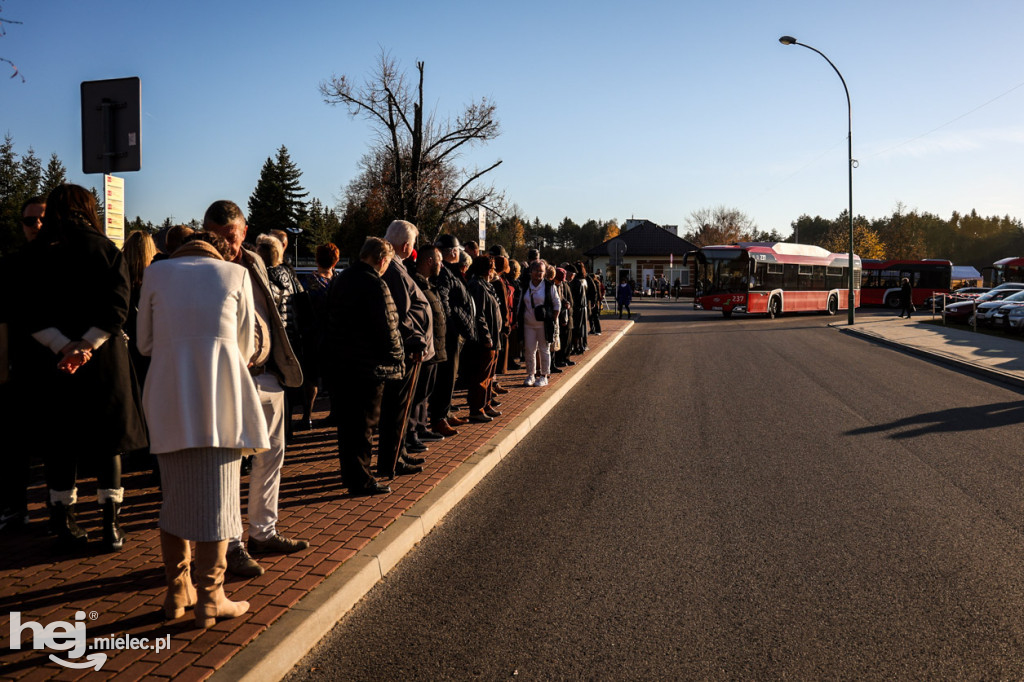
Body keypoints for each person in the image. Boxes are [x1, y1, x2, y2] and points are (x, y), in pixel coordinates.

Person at [136, 231, 262, 628]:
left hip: (169, 396)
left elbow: (144, 344)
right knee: (221, 502)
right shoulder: (235, 274)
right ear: (219, 250)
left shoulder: (156, 274)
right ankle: (211, 597)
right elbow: (244, 347)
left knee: (174, 498)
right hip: (221, 397)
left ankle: (177, 592)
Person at [23, 184, 148, 551]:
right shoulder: (104, 248)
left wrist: (64, 347)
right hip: (103, 360)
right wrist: (87, 345)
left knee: (60, 443)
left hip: (53, 361)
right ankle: (111, 525)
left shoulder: (37, 253)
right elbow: (119, 306)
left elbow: (27, 311)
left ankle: (64, 522)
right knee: (109, 442)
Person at [203, 200, 307, 578]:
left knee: (272, 455)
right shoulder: (204, 268)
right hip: (231, 378)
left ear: (243, 231)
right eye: (215, 236)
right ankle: (232, 544)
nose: (223, 244)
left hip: (268, 374)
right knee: (232, 462)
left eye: (229, 236)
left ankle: (264, 531)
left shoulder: (254, 261)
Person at [326, 237, 404, 496]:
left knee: (348, 426)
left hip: (342, 362)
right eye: (387, 263)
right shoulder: (375, 284)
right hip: (368, 365)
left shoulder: (342, 278)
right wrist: (397, 356)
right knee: (365, 425)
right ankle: (361, 480)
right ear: (382, 260)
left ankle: (350, 474)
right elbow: (387, 325)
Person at [0, 196, 47, 530]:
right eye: (30, 221)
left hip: (62, 364)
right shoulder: (11, 265)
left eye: (43, 219)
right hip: (22, 363)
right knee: (14, 442)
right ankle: (16, 507)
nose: (37, 226)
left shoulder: (67, 262)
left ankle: (61, 512)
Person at [378, 220, 432, 480]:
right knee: (397, 410)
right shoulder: (395, 271)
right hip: (407, 351)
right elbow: (400, 313)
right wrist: (416, 340)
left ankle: (398, 454)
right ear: (406, 245)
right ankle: (392, 460)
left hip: (408, 350)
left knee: (402, 409)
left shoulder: (396, 267)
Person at [256, 233, 309, 438]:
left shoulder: (268, 278)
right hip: (292, 338)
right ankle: (285, 432)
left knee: (274, 389)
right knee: (285, 389)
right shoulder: (288, 274)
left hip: (277, 340)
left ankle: (279, 435)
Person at [429, 234, 476, 437]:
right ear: (453, 253)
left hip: (455, 331)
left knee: (450, 376)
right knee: (446, 377)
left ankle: (445, 413)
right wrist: (453, 326)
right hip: (450, 334)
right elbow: (445, 302)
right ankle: (439, 417)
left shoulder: (451, 272)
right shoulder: (445, 274)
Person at [408, 245, 448, 445]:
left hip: (434, 348)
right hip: (423, 349)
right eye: (439, 260)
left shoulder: (428, 285)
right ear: (429, 261)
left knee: (426, 393)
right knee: (417, 395)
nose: (442, 264)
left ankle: (422, 427)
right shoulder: (416, 284)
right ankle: (412, 433)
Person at [299, 243, 340, 427]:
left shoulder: (308, 282)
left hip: (313, 335)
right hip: (335, 335)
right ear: (336, 260)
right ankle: (334, 413)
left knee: (311, 377)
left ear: (317, 259)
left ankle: (306, 416)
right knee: (333, 377)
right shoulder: (339, 281)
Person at [464, 255, 502, 422]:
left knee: (488, 376)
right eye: (493, 269)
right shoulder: (477, 286)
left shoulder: (486, 285)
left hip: (494, 337)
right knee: (480, 377)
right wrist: (486, 337)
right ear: (488, 270)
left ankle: (486, 404)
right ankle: (476, 409)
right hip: (484, 341)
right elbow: (479, 315)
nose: (494, 272)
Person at [518, 259, 559, 387]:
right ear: (531, 271)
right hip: (528, 324)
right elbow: (520, 304)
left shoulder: (549, 286)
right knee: (529, 350)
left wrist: (552, 320)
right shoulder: (525, 285)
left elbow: (557, 304)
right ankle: (531, 374)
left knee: (544, 349)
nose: (538, 274)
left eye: (541, 271)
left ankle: (544, 376)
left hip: (543, 325)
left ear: (545, 272)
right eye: (536, 271)